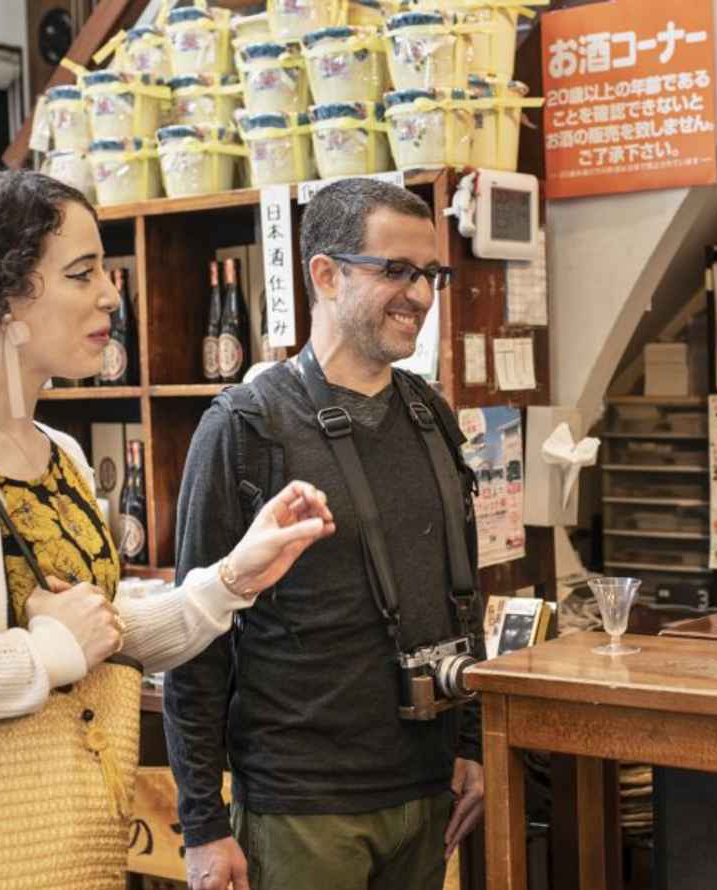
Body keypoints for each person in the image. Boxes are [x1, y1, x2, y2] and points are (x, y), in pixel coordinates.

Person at [0, 169, 334, 871]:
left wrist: (228, 581)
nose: (110, 292)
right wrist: (41, 657)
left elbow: (97, 631)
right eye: (81, 273)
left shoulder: (59, 452)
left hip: (60, 849)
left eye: (104, 270)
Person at [165, 178, 485, 890]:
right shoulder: (246, 425)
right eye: (395, 271)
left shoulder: (431, 414)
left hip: (429, 791)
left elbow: (463, 586)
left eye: (429, 274)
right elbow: (195, 641)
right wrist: (203, 826)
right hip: (301, 807)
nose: (422, 296)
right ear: (325, 274)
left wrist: (471, 741)